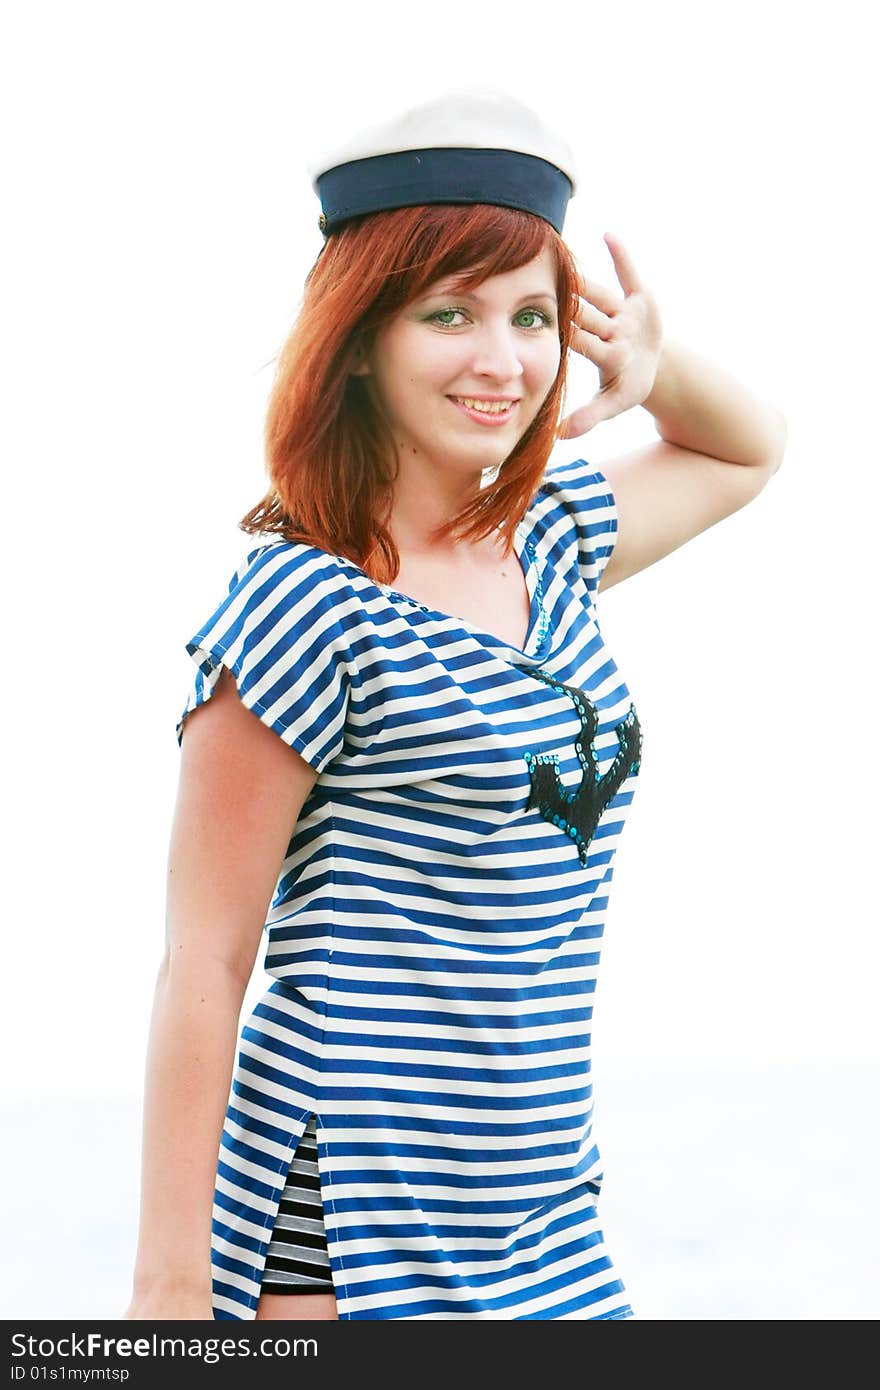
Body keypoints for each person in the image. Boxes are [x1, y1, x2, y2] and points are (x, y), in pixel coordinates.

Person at [124, 89, 787, 1322]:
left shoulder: (551, 538)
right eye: (450, 313)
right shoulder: (303, 601)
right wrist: (168, 1290)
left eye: (532, 316)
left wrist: (647, 366)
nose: (504, 359)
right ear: (360, 336)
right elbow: (205, 959)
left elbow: (746, 450)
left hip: (540, 1205)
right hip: (348, 1218)